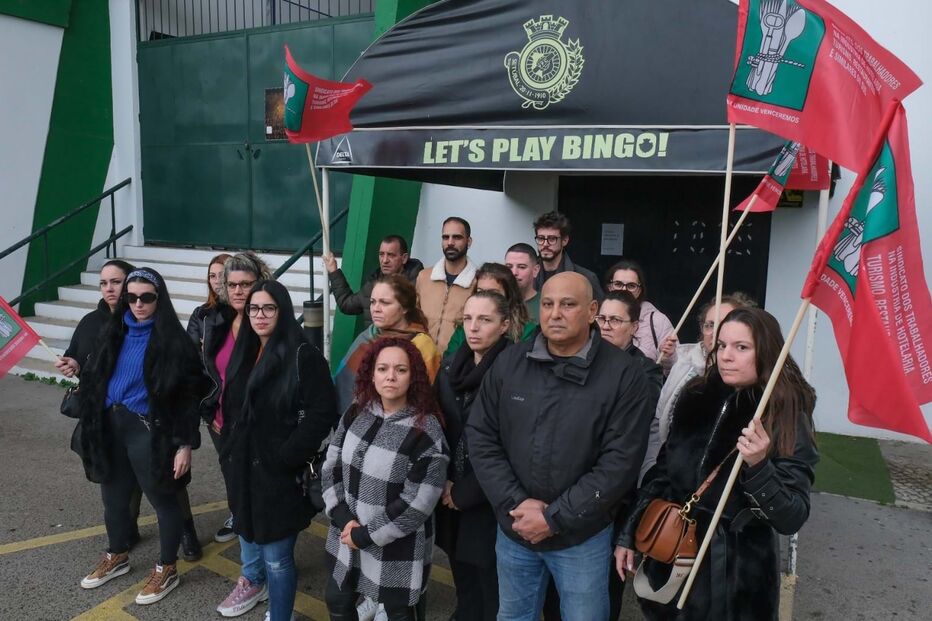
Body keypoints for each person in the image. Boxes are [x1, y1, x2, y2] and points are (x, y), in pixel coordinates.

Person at [467, 273, 652, 621]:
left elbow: (620, 463)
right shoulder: (510, 363)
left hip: (581, 537)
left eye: (568, 304)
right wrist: (515, 503)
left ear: (592, 310)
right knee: (513, 616)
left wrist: (554, 518)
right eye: (548, 304)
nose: (555, 313)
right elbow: (481, 436)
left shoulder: (624, 375)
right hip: (516, 528)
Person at [614, 308, 819, 621]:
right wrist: (629, 532)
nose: (726, 356)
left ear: (766, 352)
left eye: (741, 347)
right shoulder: (695, 395)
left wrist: (759, 467)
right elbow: (662, 474)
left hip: (737, 580)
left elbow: (791, 516)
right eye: (722, 345)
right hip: (674, 557)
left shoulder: (785, 414)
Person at [57, 259, 202, 561]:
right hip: (110, 427)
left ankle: (167, 565)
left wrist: (185, 444)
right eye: (132, 297)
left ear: (158, 298)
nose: (138, 304)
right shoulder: (110, 331)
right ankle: (117, 555)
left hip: (149, 430)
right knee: (114, 500)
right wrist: (78, 367)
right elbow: (94, 370)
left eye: (146, 297)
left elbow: (187, 398)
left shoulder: (174, 341)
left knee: (165, 499)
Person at [218, 280, 339, 621]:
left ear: (282, 311)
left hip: (280, 475)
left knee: (277, 558)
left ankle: (280, 615)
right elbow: (232, 406)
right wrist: (229, 446)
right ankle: (256, 588)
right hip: (244, 470)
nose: (260, 315)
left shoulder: (303, 355)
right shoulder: (246, 350)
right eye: (254, 308)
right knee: (250, 537)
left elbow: (322, 412)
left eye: (268, 308)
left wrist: (287, 456)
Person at [322, 337, 448, 621]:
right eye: (383, 369)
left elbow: (417, 504)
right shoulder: (357, 410)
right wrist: (343, 518)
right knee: (338, 603)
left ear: (413, 377)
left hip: (395, 547)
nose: (390, 376)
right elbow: (331, 465)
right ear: (371, 374)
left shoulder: (426, 431)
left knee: (398, 614)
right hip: (346, 535)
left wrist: (366, 535)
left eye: (401, 370)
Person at [435, 292, 513, 621]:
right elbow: (440, 427)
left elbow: (511, 446)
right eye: (468, 319)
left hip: (489, 497)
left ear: (504, 325)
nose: (474, 327)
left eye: (485, 320)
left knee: (491, 584)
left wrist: (465, 492)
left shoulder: (515, 371)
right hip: (449, 488)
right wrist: (443, 481)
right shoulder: (451, 366)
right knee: (462, 574)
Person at [204, 252, 273, 551]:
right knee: (233, 479)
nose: (238, 291)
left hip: (257, 427)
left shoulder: (267, 326)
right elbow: (211, 372)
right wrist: (210, 412)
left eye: (246, 284)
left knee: (260, 492)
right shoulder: (219, 322)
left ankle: (267, 553)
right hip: (222, 423)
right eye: (232, 285)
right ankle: (240, 521)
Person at [655, 293, 758, 457]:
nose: (714, 331)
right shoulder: (684, 361)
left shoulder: (744, 379)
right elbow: (661, 417)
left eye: (724, 323)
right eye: (709, 325)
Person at [333, 274, 441, 415]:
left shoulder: (422, 345)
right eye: (373, 302)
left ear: (404, 308)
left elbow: (428, 396)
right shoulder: (368, 335)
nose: (375, 309)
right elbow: (345, 383)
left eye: (384, 303)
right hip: (352, 419)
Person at [323, 235, 424, 324]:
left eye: (391, 255)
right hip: (378, 339)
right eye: (381, 254)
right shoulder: (374, 283)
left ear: (404, 258)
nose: (385, 260)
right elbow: (347, 304)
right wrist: (334, 271)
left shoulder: (420, 283)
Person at [444, 262, 536, 356]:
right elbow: (448, 361)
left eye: (493, 294)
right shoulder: (464, 327)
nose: (485, 298)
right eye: (480, 292)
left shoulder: (527, 331)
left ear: (509, 296)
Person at [415, 216, 477, 352]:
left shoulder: (478, 282)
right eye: (445, 237)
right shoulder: (424, 277)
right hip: (421, 357)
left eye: (457, 237)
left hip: (456, 360)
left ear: (469, 241)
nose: (450, 242)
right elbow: (412, 319)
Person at [604, 259, 672, 361]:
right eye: (618, 284)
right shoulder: (596, 318)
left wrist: (669, 357)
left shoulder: (658, 321)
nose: (624, 290)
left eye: (631, 286)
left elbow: (678, 365)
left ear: (639, 290)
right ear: (610, 287)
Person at [532, 211, 604, 301]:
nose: (545, 244)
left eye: (552, 239)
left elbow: (600, 308)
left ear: (564, 240)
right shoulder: (527, 274)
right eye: (541, 238)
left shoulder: (586, 277)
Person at [186, 252, 232, 344]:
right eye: (212, 276)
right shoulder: (199, 314)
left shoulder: (244, 311)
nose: (217, 281)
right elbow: (191, 349)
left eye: (222, 275)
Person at [504, 243, 541, 322]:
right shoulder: (496, 301)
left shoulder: (546, 304)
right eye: (509, 267)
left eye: (522, 267)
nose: (514, 272)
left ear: (535, 270)